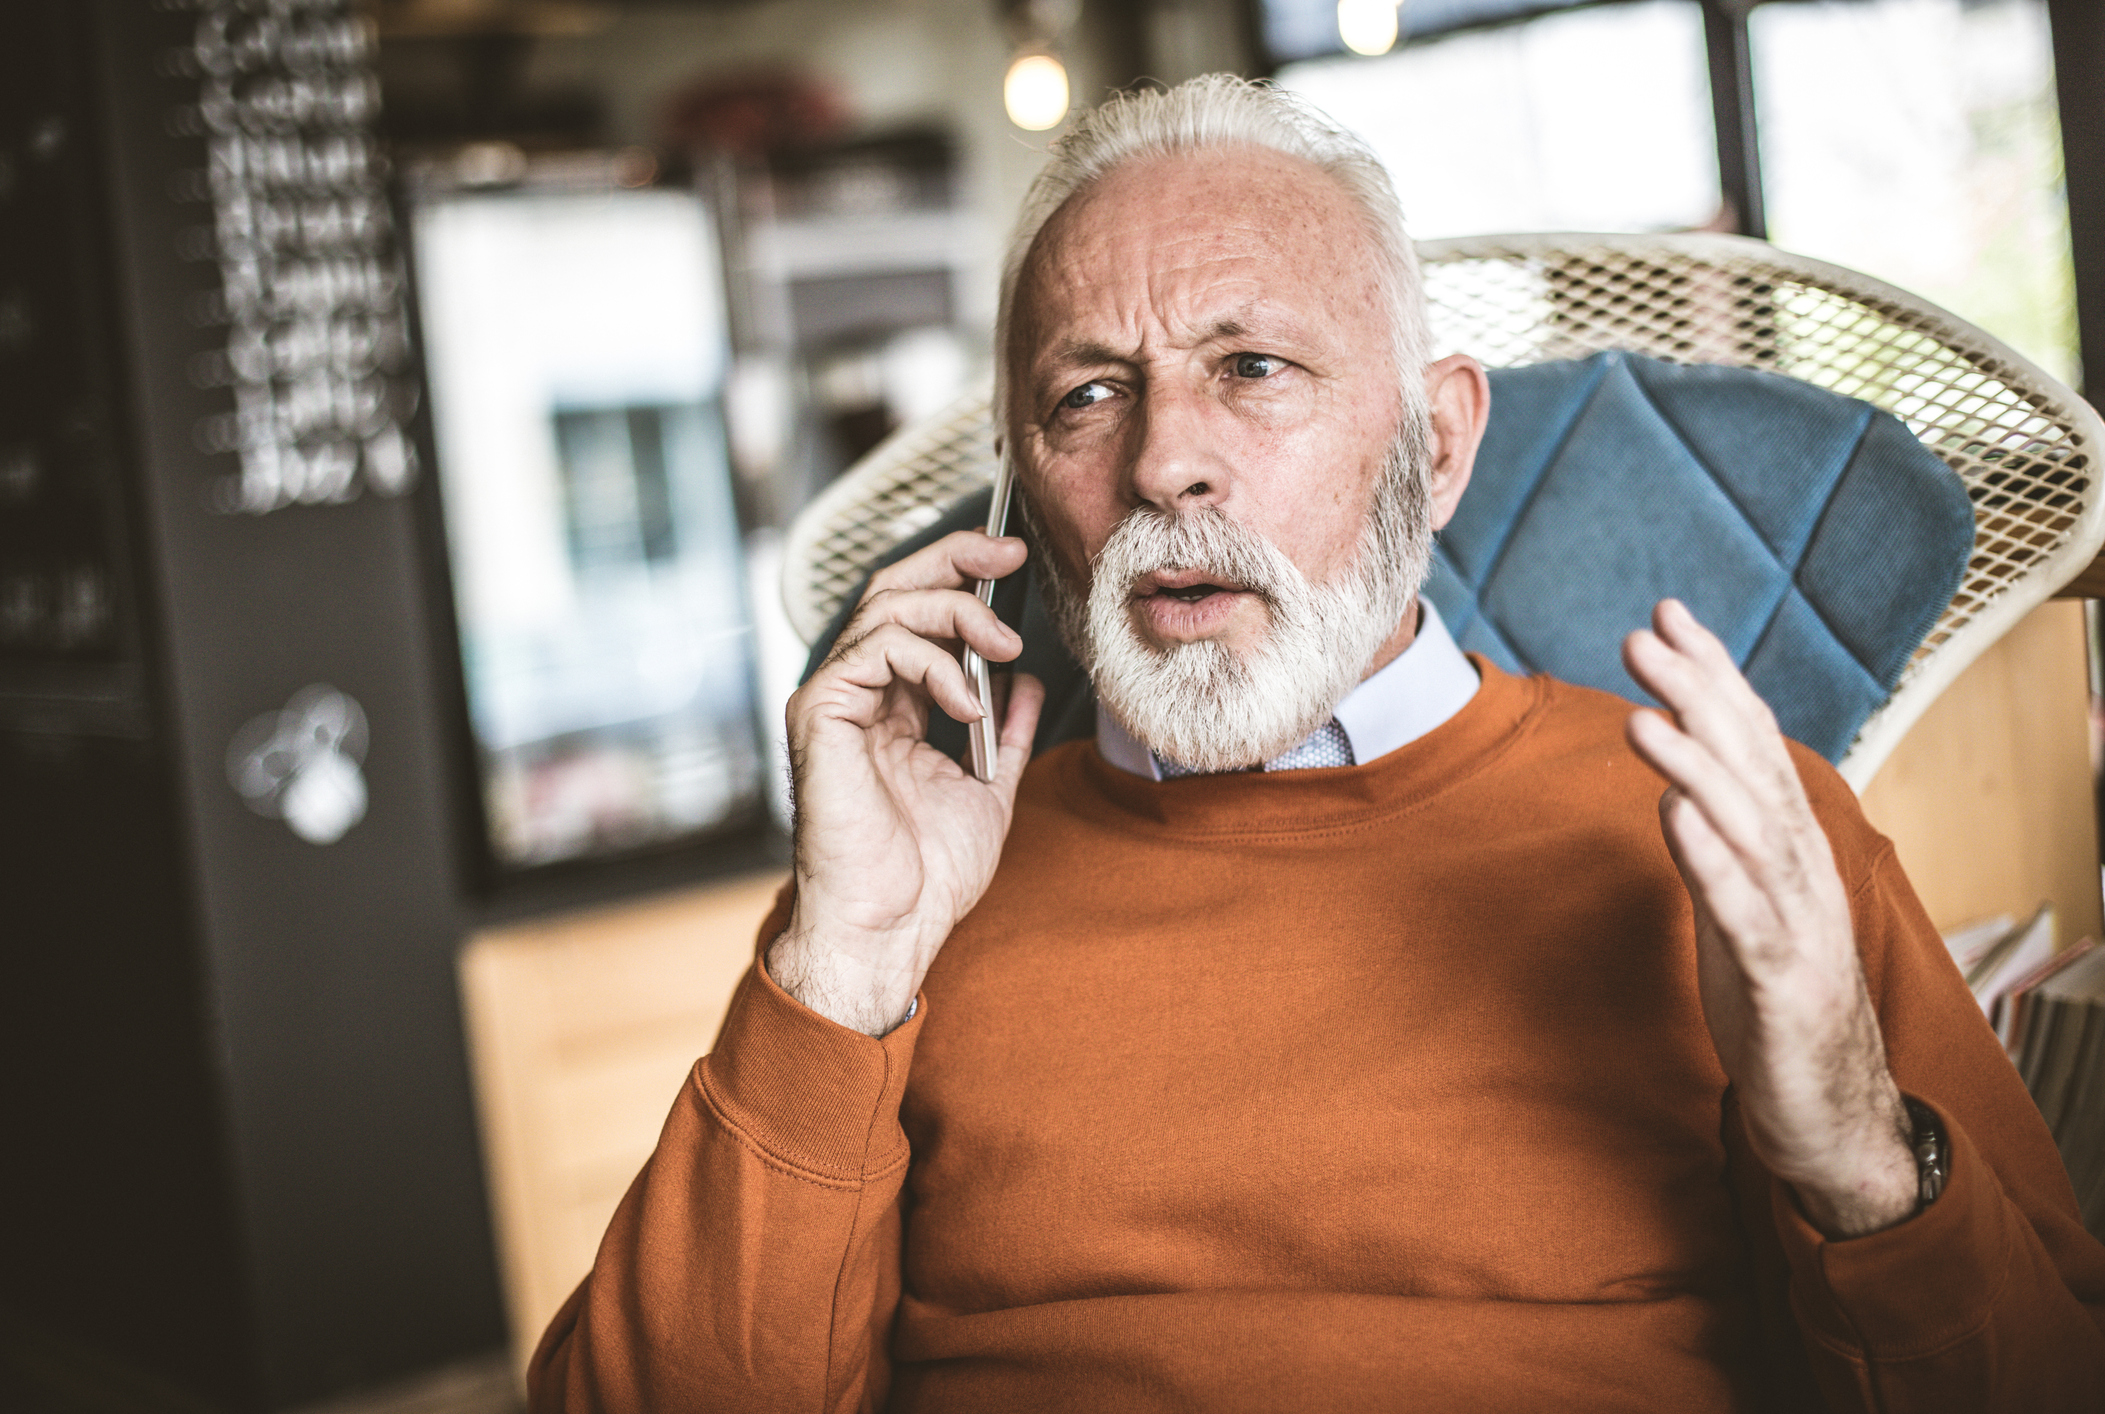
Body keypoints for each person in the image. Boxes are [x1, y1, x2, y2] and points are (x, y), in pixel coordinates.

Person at [530, 76, 2105, 1411]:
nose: (1164, 465)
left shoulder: (1740, 833)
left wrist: (1847, 1146)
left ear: (1430, 443)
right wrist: (844, 966)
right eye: (1088, 396)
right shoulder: (904, 881)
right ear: (1028, 493)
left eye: (1251, 367)